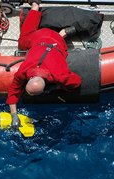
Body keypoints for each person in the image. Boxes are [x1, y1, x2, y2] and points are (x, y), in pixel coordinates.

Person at [6, 0, 82, 128]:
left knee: (24, 39)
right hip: (48, 39)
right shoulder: (56, 75)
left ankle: (62, 33)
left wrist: (57, 87)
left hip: (51, 39)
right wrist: (14, 115)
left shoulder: (56, 75)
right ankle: (36, 7)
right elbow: (76, 82)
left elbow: (76, 82)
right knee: (23, 40)